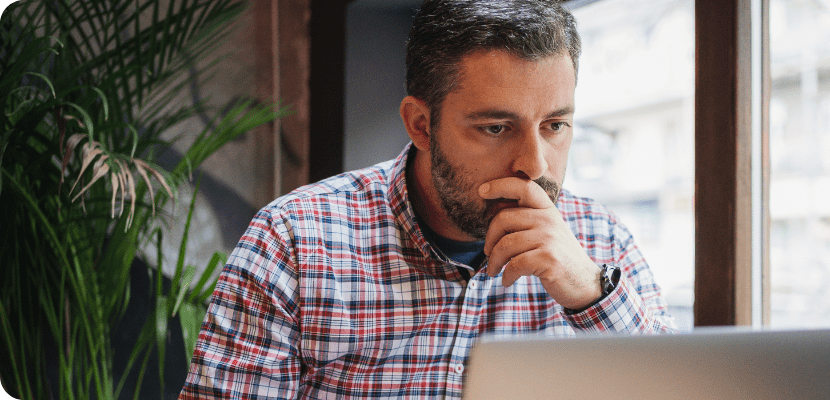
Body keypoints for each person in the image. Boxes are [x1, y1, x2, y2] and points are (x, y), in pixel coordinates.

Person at [178, 0, 676, 398]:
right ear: (421, 124)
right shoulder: (294, 242)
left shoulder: (603, 242)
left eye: (555, 126)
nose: (536, 165)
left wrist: (592, 295)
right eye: (496, 127)